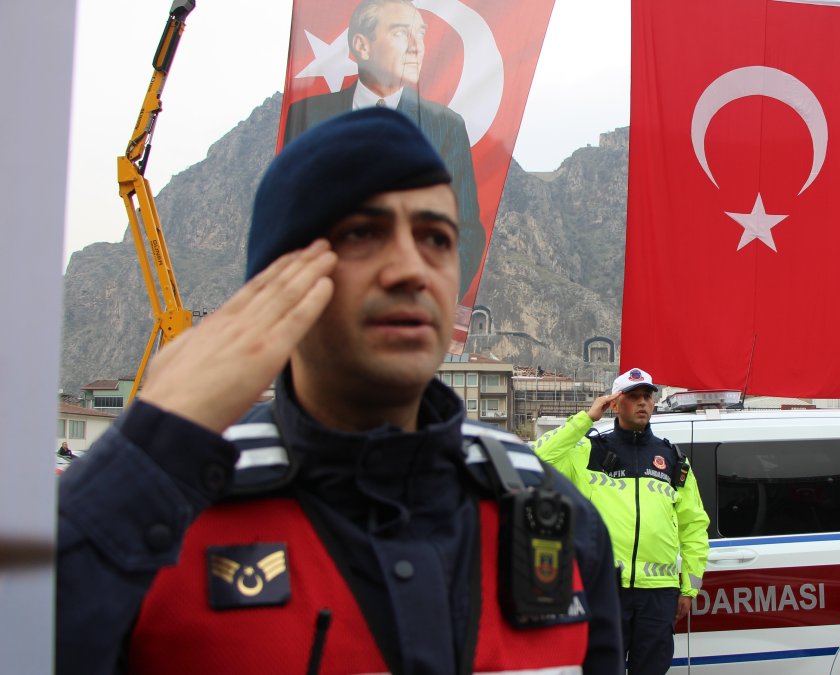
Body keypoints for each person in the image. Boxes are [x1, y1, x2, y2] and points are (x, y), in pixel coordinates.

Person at [56, 108, 621, 674]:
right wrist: (150, 447)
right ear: (278, 281)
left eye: (436, 238)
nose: (410, 269)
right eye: (361, 233)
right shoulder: (159, 522)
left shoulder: (555, 520)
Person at [283, 0, 485, 301]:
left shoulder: (445, 128)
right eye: (402, 34)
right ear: (363, 46)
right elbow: (286, 211)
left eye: (421, 34)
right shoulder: (309, 117)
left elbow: (465, 228)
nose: (417, 47)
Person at [533, 368, 710, 675]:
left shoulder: (672, 459)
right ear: (614, 404)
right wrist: (586, 419)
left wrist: (689, 589)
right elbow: (538, 460)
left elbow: (694, 525)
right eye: (632, 397)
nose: (643, 403)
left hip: (658, 592)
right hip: (604, 587)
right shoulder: (589, 450)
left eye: (647, 397)